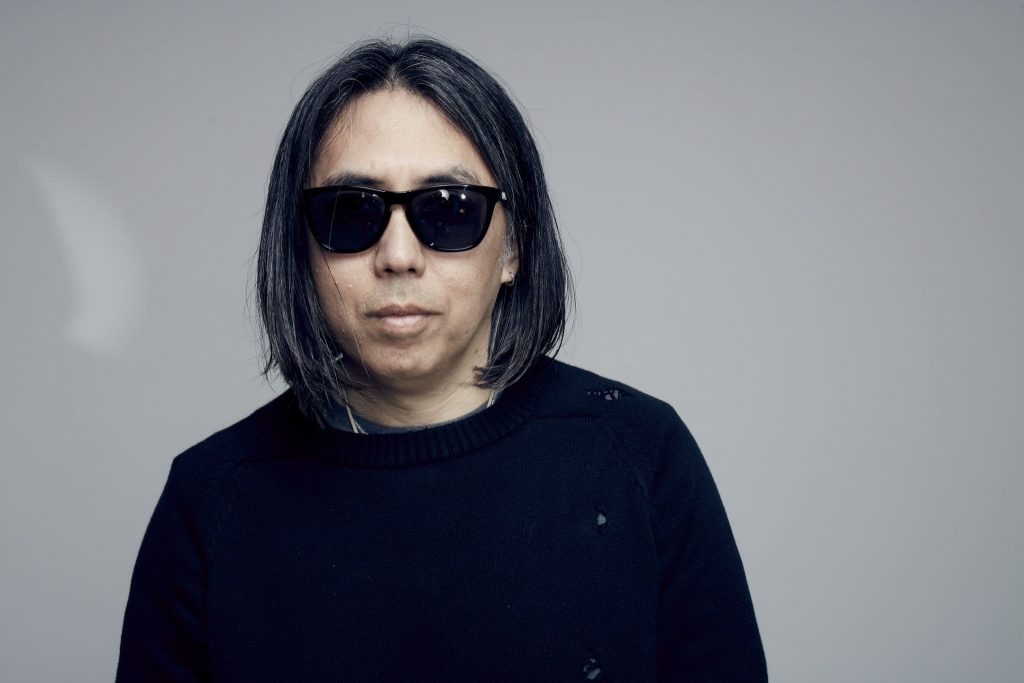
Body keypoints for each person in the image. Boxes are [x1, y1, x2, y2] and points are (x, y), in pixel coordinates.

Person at [115, 36, 768, 682]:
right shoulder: (210, 499)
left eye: (449, 210)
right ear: (302, 251)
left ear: (514, 247)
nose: (398, 256)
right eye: (351, 213)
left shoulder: (639, 454)